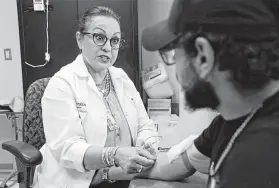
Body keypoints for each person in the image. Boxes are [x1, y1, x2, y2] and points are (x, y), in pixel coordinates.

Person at [139, 0, 279, 187]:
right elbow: (171, 167)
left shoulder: (254, 161)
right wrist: (106, 168)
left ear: (203, 56)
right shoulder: (227, 123)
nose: (175, 69)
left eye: (173, 53)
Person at [34, 6, 159, 188]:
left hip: (122, 175)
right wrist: (114, 155)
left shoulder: (121, 78)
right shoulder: (62, 84)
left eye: (114, 40)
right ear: (80, 39)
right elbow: (68, 149)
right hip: (79, 181)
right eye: (99, 37)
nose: (108, 48)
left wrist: (146, 146)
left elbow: (144, 125)